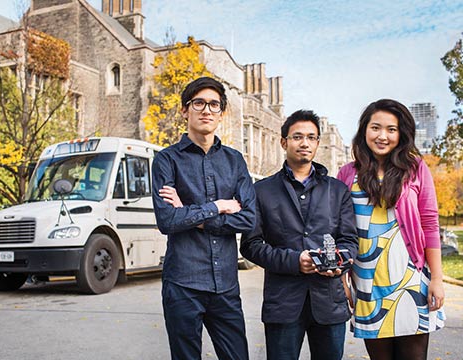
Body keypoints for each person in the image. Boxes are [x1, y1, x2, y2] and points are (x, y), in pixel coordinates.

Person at [151, 77, 256, 360]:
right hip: (183, 283)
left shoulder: (235, 161)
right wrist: (218, 206)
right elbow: (167, 221)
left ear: (221, 113)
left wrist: (192, 214)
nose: (206, 110)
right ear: (185, 110)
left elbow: (248, 220)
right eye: (198, 103)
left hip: (226, 285)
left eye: (214, 104)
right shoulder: (166, 160)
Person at [240, 109, 359, 360]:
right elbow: (250, 245)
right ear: (284, 142)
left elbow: (349, 241)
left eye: (311, 137)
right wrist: (295, 261)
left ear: (317, 143)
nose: (304, 143)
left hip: (329, 302)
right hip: (283, 303)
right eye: (297, 137)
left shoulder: (337, 190)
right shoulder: (261, 190)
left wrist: (339, 262)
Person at [337, 99, 445, 360]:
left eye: (391, 129)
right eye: (376, 128)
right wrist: (343, 280)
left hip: (411, 279)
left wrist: (438, 280)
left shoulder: (415, 169)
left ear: (401, 134)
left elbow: (430, 224)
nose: (382, 136)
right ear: (364, 130)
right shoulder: (347, 174)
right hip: (366, 281)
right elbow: (338, 229)